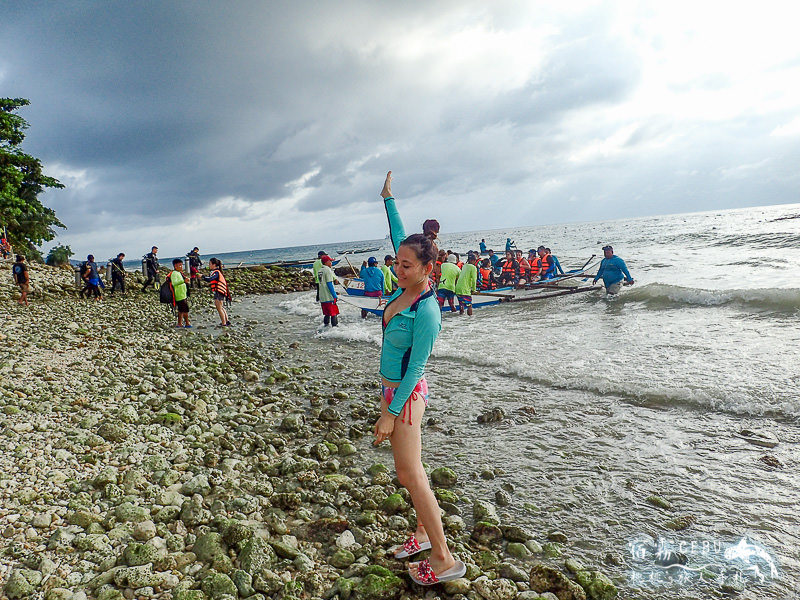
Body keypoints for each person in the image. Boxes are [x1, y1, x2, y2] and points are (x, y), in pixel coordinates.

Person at [375, 171, 465, 585]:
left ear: (428, 268)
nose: (398, 268)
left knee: (409, 474)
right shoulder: (405, 279)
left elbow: (416, 369)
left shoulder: (427, 311)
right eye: (396, 261)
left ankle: (445, 557)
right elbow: (399, 235)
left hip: (406, 395)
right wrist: (389, 199)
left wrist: (391, 413)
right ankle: (422, 534)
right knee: (413, 470)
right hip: (391, 390)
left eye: (406, 264)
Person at [203, 258, 231, 326]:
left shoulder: (216, 272)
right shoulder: (217, 272)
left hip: (219, 292)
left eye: (209, 264)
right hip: (219, 292)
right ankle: (226, 321)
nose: (209, 265)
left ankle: (224, 323)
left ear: (214, 265)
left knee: (219, 308)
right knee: (221, 307)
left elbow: (210, 279)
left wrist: (202, 276)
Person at [317, 254, 339, 327]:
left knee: (326, 314)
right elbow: (329, 284)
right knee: (333, 313)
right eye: (330, 261)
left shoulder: (320, 271)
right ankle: (335, 329)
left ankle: (325, 327)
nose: (331, 263)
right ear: (326, 262)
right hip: (328, 296)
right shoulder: (328, 270)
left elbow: (320, 283)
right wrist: (334, 296)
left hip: (322, 296)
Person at [169, 258, 191, 328]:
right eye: (180, 265)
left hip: (183, 294)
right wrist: (183, 281)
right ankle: (187, 323)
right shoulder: (174, 274)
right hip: (179, 295)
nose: (181, 266)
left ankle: (179, 323)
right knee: (185, 309)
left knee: (181, 310)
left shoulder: (179, 273)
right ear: (175, 266)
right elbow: (174, 283)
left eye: (182, 265)